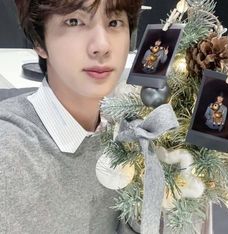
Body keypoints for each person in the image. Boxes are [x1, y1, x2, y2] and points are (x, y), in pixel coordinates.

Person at [0, 0, 142, 233]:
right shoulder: (10, 157)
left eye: (114, 22)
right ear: (39, 40)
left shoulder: (132, 137)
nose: (102, 46)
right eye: (74, 21)